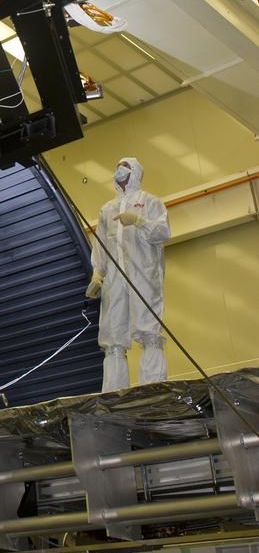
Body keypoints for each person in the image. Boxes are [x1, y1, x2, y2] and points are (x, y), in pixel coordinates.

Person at [86, 157, 171, 393]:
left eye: (125, 166)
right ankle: (114, 393)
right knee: (112, 336)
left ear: (135, 172)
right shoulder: (107, 209)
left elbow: (163, 232)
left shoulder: (150, 202)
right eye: (117, 165)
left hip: (143, 275)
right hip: (114, 280)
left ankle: (153, 389)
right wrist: (97, 274)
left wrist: (139, 221)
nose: (119, 169)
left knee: (149, 331)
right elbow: (100, 246)